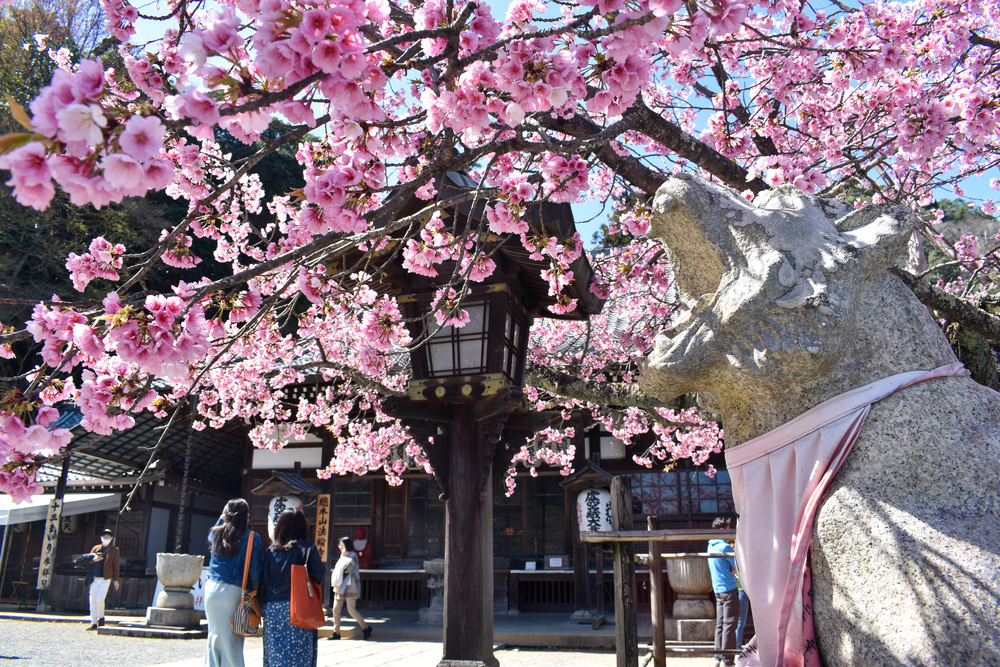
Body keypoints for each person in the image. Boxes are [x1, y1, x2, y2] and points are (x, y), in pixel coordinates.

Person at [260, 509, 326, 667]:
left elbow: (263, 579)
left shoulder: (271, 551)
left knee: (275, 653)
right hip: (298, 606)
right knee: (299, 653)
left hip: (273, 607)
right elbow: (318, 574)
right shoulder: (307, 547)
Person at [205, 498, 262, 667]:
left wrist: (222, 517)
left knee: (213, 635)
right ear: (247, 516)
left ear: (226, 513)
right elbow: (255, 570)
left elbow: (210, 536)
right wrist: (255, 592)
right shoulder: (252, 537)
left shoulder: (216, 532)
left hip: (211, 589)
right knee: (232, 639)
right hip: (234, 591)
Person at [708, 517, 739, 667]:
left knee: (720, 624)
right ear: (721, 528)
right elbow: (737, 566)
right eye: (728, 527)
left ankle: (718, 657)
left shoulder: (710, 546)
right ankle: (728, 660)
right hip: (729, 588)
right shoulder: (724, 547)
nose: (729, 530)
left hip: (717, 589)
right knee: (730, 624)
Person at [328, 536, 371, 640]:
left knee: (351, 610)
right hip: (340, 586)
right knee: (336, 609)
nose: (340, 547)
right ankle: (336, 632)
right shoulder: (342, 556)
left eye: (342, 545)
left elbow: (348, 569)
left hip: (350, 586)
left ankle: (365, 628)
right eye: (340, 545)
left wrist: (343, 558)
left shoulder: (353, 556)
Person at [83, 528, 120, 630]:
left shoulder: (114, 550)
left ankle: (101, 617)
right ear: (101, 538)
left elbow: (116, 565)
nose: (106, 538)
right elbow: (87, 561)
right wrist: (94, 560)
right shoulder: (96, 548)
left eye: (108, 537)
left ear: (111, 538)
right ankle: (94, 622)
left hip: (106, 578)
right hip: (94, 577)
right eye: (104, 536)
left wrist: (116, 579)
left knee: (100, 598)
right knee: (92, 600)